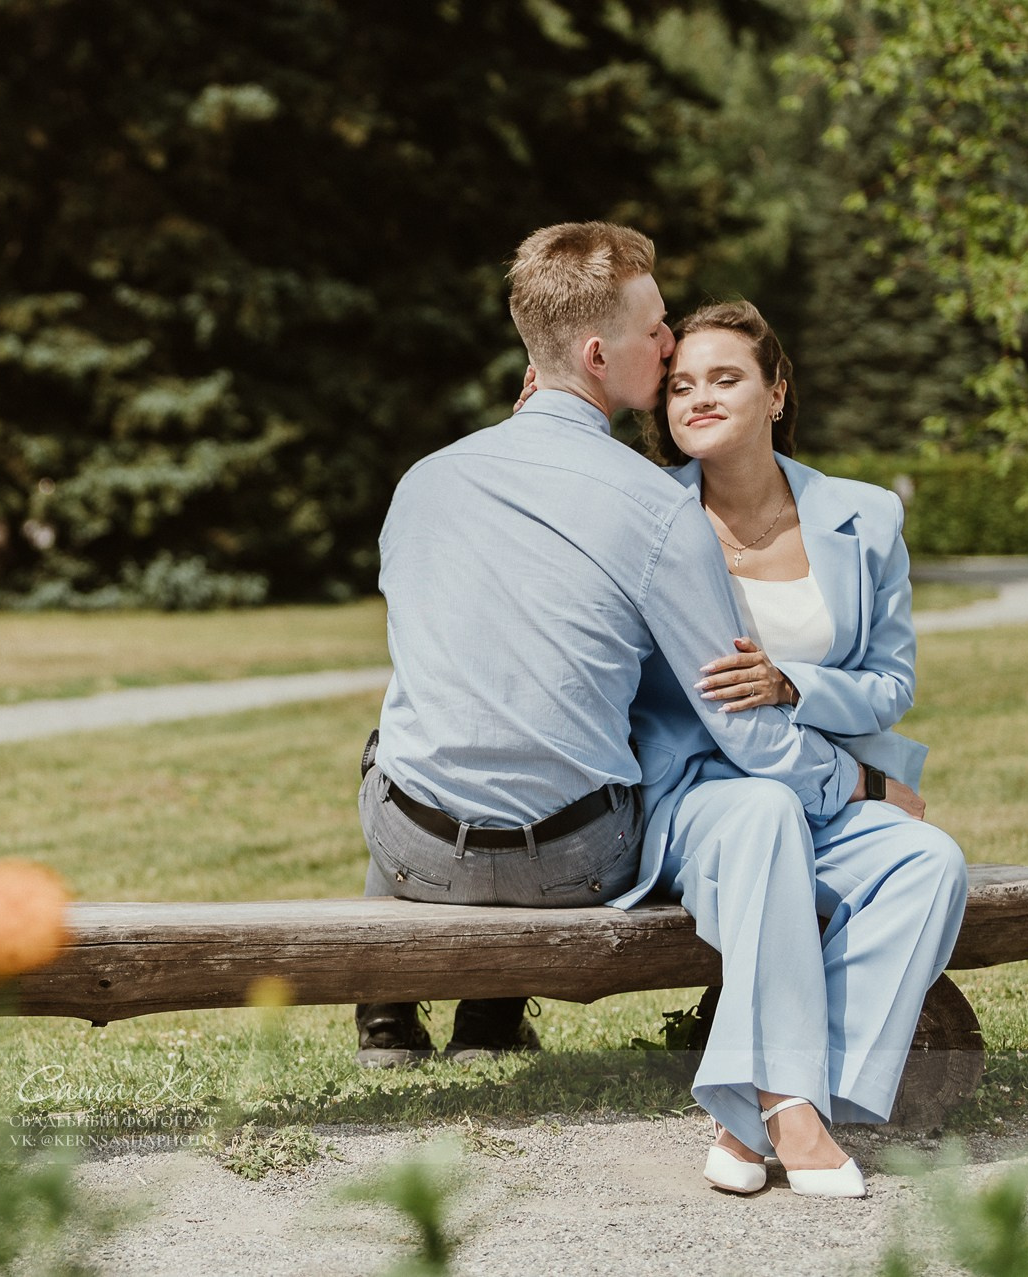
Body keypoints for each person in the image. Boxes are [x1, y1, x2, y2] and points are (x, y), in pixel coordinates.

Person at [357, 221, 879, 1069]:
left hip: (414, 850)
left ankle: (388, 1013)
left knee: (413, 732)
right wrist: (856, 779)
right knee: (599, 760)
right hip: (576, 863)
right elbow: (736, 716)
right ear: (599, 355)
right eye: (657, 328)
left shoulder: (423, 482)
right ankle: (489, 1021)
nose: (672, 344)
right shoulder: (659, 506)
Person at [640, 300, 964, 1196]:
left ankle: (763, 1111)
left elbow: (892, 683)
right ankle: (790, 1109)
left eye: (726, 377)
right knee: (766, 807)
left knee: (931, 863)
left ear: (778, 391)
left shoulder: (863, 517)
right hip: (703, 797)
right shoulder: (647, 519)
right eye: (680, 384)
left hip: (824, 794)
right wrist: (864, 782)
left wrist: (795, 683)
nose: (698, 396)